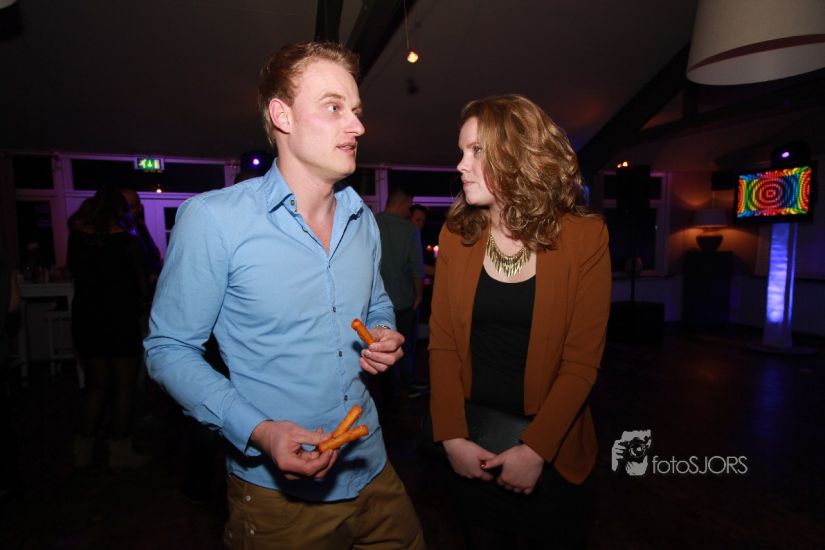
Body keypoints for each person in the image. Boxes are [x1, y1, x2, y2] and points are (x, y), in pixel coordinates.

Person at [145, 41, 425, 549]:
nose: (357, 126)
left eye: (356, 110)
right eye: (334, 107)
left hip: (373, 467)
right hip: (279, 498)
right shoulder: (215, 220)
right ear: (282, 116)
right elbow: (169, 350)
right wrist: (259, 431)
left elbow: (377, 302)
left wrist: (383, 332)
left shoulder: (362, 219)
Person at [428, 94, 611, 549]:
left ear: (517, 156)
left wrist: (535, 450)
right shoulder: (456, 235)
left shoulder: (585, 237)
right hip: (472, 441)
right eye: (462, 150)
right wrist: (451, 437)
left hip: (551, 449)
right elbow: (443, 345)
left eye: (476, 150)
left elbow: (581, 362)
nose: (460, 165)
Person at [67, 188, 152, 469]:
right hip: (120, 320)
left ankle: (83, 451)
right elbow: (142, 288)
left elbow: (74, 272)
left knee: (96, 386)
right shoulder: (128, 243)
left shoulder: (77, 239)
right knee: (124, 387)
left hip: (87, 320)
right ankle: (120, 450)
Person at [375, 184, 424, 405]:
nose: (409, 211)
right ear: (403, 203)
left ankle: (387, 398)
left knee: (381, 351)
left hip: (376, 304)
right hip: (403, 303)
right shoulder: (409, 230)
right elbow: (417, 268)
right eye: (409, 206)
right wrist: (418, 296)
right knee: (404, 349)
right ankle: (405, 391)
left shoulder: (371, 223)